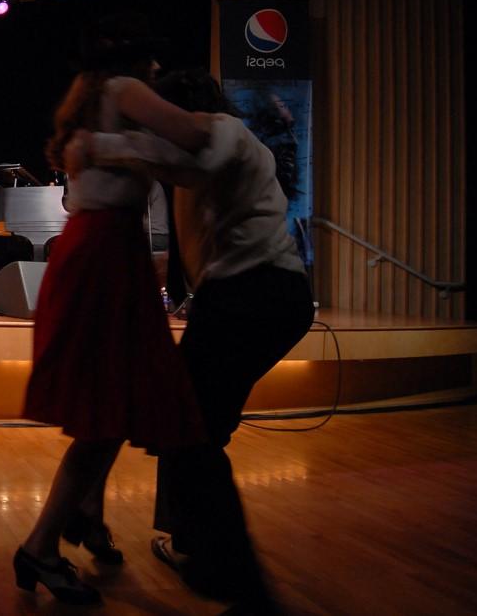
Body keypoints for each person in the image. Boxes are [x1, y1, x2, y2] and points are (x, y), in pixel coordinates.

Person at [81, 70, 315, 612]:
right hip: (247, 298)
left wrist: (105, 128)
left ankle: (240, 584)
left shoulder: (224, 129)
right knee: (196, 427)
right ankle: (195, 546)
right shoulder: (197, 159)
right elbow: (174, 165)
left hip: (254, 293)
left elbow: (188, 148)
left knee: (191, 430)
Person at [13, 57, 209, 604]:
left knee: (108, 406)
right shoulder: (123, 88)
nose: (154, 69)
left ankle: (83, 519)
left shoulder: (89, 95)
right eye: (150, 59)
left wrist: (113, 149)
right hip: (106, 253)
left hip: (96, 248)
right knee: (110, 410)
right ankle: (41, 546)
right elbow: (194, 138)